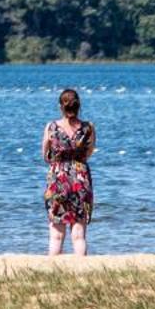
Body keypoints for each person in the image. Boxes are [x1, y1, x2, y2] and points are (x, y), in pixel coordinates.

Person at [42, 88, 96, 257]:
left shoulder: (51, 127)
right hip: (81, 179)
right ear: (79, 106)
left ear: (61, 107)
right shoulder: (88, 128)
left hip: (58, 178)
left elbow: (45, 155)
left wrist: (59, 161)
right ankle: (80, 269)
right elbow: (88, 153)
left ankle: (53, 272)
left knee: (56, 234)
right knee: (79, 234)